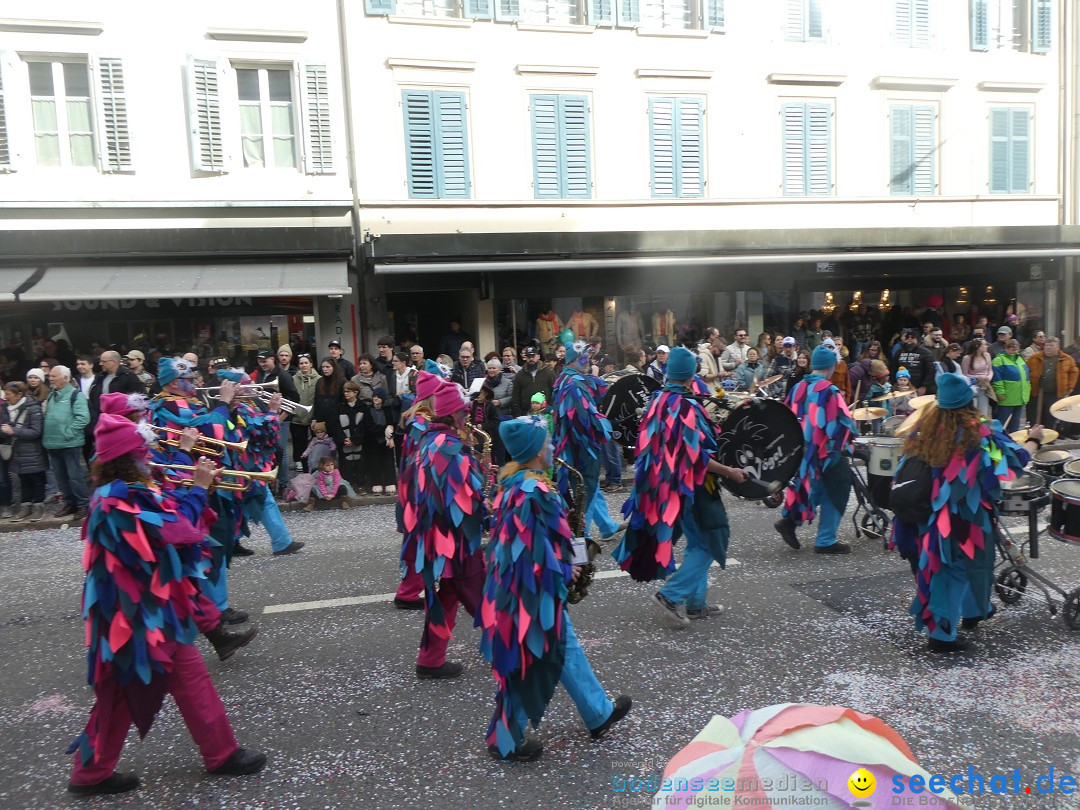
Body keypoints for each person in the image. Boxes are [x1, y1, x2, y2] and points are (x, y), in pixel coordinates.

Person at [64, 415, 266, 796]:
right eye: (143, 452)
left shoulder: (118, 493)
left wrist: (193, 485)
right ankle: (218, 754)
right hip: (137, 618)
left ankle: (95, 772)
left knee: (160, 684)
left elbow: (167, 511)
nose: (149, 456)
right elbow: (178, 530)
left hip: (141, 613)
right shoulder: (121, 501)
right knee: (132, 690)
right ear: (129, 458)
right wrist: (199, 489)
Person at [481, 416, 632, 762]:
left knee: (563, 646)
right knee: (531, 657)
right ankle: (505, 738)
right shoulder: (535, 492)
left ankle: (598, 713)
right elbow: (531, 552)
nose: (552, 447)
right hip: (533, 590)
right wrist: (567, 568)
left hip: (526, 586)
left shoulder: (513, 484)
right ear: (536, 450)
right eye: (547, 442)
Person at [889, 375, 1042, 653]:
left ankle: (974, 611)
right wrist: (1034, 440)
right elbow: (1014, 462)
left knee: (966, 562)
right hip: (961, 517)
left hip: (929, 514)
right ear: (969, 402)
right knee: (957, 568)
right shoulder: (979, 433)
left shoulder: (924, 428)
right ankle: (941, 635)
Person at [613, 347, 748, 625]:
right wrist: (729, 471)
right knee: (711, 540)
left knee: (697, 541)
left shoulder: (658, 399)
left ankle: (696, 604)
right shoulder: (684, 406)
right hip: (692, 486)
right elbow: (695, 456)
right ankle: (671, 595)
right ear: (690, 375)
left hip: (669, 486)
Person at [406, 381, 486, 679]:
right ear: (453, 414)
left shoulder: (431, 439)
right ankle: (515, 651)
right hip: (455, 536)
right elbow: (465, 498)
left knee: (449, 593)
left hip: (438, 533)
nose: (467, 417)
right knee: (483, 594)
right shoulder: (450, 447)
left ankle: (430, 659)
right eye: (463, 412)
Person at [774, 345, 857, 554]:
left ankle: (789, 522)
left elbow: (787, 415)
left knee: (811, 485)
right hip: (826, 452)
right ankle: (826, 540)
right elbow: (843, 423)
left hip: (802, 451)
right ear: (830, 366)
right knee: (837, 488)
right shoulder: (829, 391)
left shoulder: (798, 388)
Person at [552, 340, 622, 547]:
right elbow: (584, 419)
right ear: (572, 361)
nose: (587, 362)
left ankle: (606, 526)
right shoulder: (575, 384)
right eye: (583, 359)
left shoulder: (564, 379)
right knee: (587, 489)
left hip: (571, 445)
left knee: (590, 485)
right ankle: (581, 537)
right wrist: (607, 426)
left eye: (588, 358)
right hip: (582, 446)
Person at [393, 370, 444, 610]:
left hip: (418, 491)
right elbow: (420, 462)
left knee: (423, 542)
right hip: (419, 493)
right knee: (419, 542)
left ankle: (412, 590)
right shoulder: (420, 423)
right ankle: (407, 593)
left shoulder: (422, 420)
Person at [43, 365, 91, 520]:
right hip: (52, 443)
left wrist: (68, 432)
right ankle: (70, 503)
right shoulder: (51, 395)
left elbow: (83, 418)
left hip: (70, 443)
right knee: (61, 478)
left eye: (54, 376)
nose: (50, 379)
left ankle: (82, 504)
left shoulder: (76, 395)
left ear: (65, 378)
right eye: (50, 376)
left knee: (74, 476)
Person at [253, 348, 299, 494]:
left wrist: (281, 418)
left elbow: (295, 399)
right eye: (260, 361)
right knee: (267, 450)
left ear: (273, 359)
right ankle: (270, 483)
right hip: (264, 417)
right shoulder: (260, 374)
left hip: (281, 419)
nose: (262, 364)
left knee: (281, 451)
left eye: (265, 361)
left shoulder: (283, 375)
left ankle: (283, 484)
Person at [1, 382, 47, 522]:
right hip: (16, 451)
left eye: (8, 394)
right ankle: (25, 506)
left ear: (19, 394)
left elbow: (36, 431)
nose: (5, 397)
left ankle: (38, 507)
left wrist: (13, 431)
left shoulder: (33, 408)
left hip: (32, 451)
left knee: (36, 479)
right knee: (23, 479)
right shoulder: (5, 408)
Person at [1025, 337, 1079, 427]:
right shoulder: (1034, 358)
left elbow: (1074, 372)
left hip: (1055, 393)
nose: (1048, 347)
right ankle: (1036, 434)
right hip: (1036, 393)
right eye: (1046, 345)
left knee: (1051, 417)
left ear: (1058, 347)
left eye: (1051, 345)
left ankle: (1049, 434)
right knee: (1035, 417)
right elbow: (1026, 372)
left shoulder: (1067, 359)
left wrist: (1070, 387)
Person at [333, 381, 367, 493]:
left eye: (348, 391)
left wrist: (354, 439)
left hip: (358, 442)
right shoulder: (339, 406)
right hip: (344, 442)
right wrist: (343, 439)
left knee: (360, 463)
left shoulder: (362, 406)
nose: (346, 394)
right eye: (345, 391)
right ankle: (348, 485)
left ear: (355, 393)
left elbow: (364, 425)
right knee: (345, 464)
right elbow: (336, 425)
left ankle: (361, 484)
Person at [362, 388, 397, 494]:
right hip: (373, 440)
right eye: (374, 396)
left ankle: (390, 483)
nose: (375, 399)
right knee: (374, 462)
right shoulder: (368, 409)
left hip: (386, 440)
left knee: (388, 461)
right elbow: (369, 426)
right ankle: (376, 483)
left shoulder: (387, 409)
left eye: (378, 397)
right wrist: (384, 429)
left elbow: (391, 424)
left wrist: (391, 437)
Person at [991, 338, 1029, 430]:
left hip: (1020, 397)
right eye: (1011, 348)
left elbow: (1026, 378)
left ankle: (1013, 438)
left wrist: (1027, 392)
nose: (1014, 350)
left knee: (1015, 424)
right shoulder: (999, 360)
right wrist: (1000, 392)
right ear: (1006, 348)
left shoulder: (1020, 359)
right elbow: (997, 379)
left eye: (1016, 348)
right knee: (1002, 423)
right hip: (1006, 397)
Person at [509, 346, 556, 416]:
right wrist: (517, 413)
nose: (531, 359)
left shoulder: (549, 373)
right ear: (525, 358)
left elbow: (555, 391)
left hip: (546, 413)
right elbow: (516, 395)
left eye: (533, 356)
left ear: (538, 357)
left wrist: (551, 408)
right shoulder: (520, 374)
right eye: (528, 357)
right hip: (525, 413)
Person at [291, 354, 318, 470]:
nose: (304, 365)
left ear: (311, 364)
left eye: (306, 363)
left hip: (313, 417)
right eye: (301, 363)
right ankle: (304, 468)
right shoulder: (293, 379)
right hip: (298, 417)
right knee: (300, 444)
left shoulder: (319, 379)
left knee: (316, 444)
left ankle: (316, 467)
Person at [894, 328, 936, 395]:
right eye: (907, 337)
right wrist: (894, 384)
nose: (909, 339)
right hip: (901, 387)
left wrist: (924, 386)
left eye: (912, 337)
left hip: (918, 387)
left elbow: (931, 371)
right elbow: (893, 368)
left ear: (917, 340)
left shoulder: (925, 352)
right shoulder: (899, 352)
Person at [962, 338, 994, 418]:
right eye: (984, 345)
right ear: (977, 346)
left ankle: (982, 425)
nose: (986, 346)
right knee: (973, 412)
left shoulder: (987, 355)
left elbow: (990, 370)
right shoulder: (967, 358)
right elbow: (964, 374)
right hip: (973, 386)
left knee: (983, 412)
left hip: (984, 386)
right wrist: (978, 377)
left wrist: (989, 377)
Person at [314, 357, 345, 424]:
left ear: (334, 367)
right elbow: (316, 401)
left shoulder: (342, 382)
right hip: (321, 419)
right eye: (323, 367)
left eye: (328, 367)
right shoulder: (319, 381)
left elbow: (344, 401)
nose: (325, 369)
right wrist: (315, 418)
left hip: (337, 419)